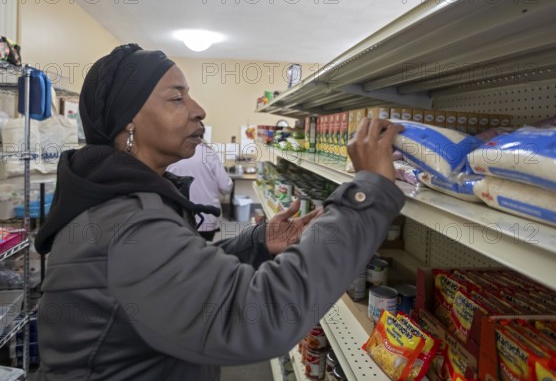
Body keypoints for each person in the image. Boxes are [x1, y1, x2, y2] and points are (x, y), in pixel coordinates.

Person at [33, 44, 405, 381]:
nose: (199, 110)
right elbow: (259, 317)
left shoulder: (121, 200)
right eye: (177, 98)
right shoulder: (127, 221)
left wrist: (256, 244)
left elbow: (172, 282)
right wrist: (367, 193)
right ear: (129, 122)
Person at [167, 129, 232, 241]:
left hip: (177, 215)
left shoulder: (170, 153)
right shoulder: (208, 153)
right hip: (207, 216)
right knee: (204, 250)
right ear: (201, 135)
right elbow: (225, 187)